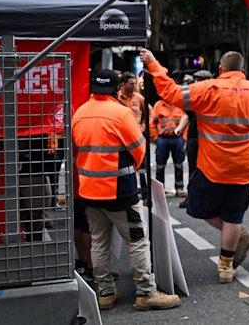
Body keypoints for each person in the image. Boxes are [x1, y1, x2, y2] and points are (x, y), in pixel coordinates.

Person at [140, 49, 249, 284]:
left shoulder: (208, 89)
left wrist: (154, 64)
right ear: (242, 70)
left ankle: (239, 240)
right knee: (234, 216)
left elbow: (170, 92)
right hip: (245, 166)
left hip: (214, 165)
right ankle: (225, 268)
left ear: (221, 69)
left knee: (199, 207)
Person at [72, 69, 180, 311]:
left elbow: (76, 148)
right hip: (119, 191)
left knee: (99, 242)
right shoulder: (120, 113)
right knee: (137, 241)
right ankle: (146, 292)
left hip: (89, 191)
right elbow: (139, 150)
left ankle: (106, 293)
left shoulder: (80, 113)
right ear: (115, 89)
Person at [179, 70, 214, 209]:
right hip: (194, 137)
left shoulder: (212, 97)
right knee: (193, 168)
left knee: (208, 169)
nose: (195, 83)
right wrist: (180, 129)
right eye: (195, 80)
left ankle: (207, 197)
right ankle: (192, 197)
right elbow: (187, 115)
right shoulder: (193, 97)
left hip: (209, 138)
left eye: (198, 80)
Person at [149, 98, 189, 196]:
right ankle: (160, 191)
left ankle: (179, 188)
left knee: (179, 164)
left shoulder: (180, 104)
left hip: (177, 139)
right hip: (162, 139)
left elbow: (187, 121)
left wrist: (184, 137)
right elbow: (152, 123)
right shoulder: (158, 105)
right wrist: (156, 138)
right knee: (160, 166)